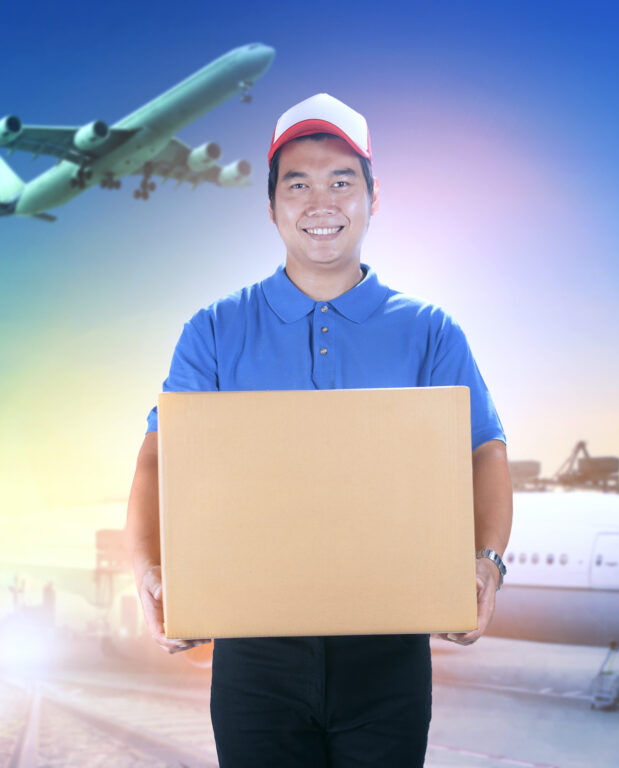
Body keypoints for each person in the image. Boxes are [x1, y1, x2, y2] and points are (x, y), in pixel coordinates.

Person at [126, 93, 513, 767]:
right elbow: (159, 462)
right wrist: (150, 573)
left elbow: (484, 449)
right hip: (254, 657)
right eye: (298, 184)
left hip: (389, 652)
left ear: (373, 196)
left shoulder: (428, 330)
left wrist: (487, 562)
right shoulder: (214, 330)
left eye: (341, 181)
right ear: (272, 203)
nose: (321, 202)